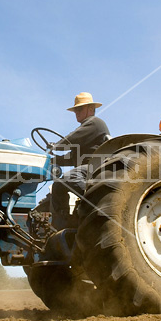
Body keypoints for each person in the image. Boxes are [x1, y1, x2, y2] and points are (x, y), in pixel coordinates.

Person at [50, 92, 110, 229]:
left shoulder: (94, 123)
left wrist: (56, 145)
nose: (76, 112)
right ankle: (62, 224)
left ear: (91, 109)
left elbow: (72, 139)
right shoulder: (87, 128)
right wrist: (53, 160)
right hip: (86, 167)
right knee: (58, 185)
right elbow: (72, 157)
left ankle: (99, 204)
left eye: (80, 109)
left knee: (71, 176)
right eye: (75, 110)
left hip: (97, 168)